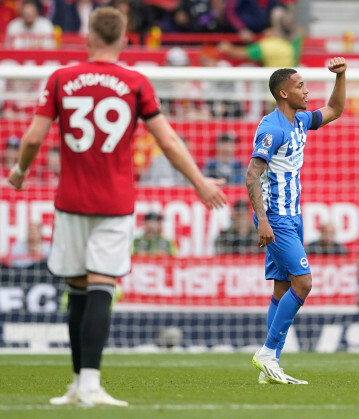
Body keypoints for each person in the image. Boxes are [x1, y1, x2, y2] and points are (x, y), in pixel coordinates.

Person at [7, 7, 226, 407]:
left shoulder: (61, 79)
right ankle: (89, 383)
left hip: (71, 200)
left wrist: (20, 171)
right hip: (114, 201)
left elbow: (35, 136)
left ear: (88, 39)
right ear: (125, 40)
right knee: (101, 287)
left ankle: (77, 383)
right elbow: (168, 141)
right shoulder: (134, 82)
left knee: (76, 291)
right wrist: (199, 182)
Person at [246, 57, 347, 384]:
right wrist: (263, 220)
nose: (307, 90)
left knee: (283, 288)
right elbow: (251, 174)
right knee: (304, 283)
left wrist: (341, 76)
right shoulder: (272, 128)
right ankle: (267, 352)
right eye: (300, 85)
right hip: (275, 218)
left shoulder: (301, 121)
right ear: (284, 93)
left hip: (293, 215)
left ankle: (270, 365)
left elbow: (335, 109)